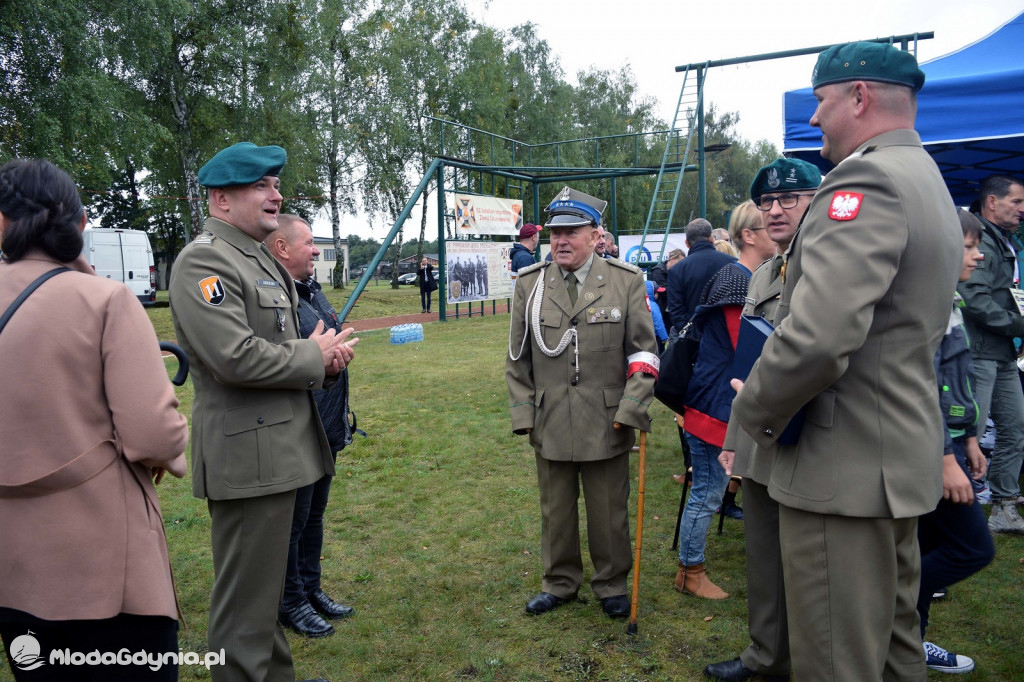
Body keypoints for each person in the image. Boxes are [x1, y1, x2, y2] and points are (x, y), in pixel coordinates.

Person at [730, 42, 962, 681]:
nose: (814, 120)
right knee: (893, 651)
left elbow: (818, 337)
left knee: (836, 660)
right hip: (889, 463)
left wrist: (751, 409)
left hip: (840, 470)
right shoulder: (925, 177)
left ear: (859, 97)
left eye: (821, 101)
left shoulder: (865, 180)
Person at [169, 142, 356, 682]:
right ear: (222, 199)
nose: (276, 194)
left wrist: (325, 364)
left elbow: (275, 347)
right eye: (262, 185)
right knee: (244, 608)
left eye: (275, 184)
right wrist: (310, 355)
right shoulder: (206, 259)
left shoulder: (252, 255)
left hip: (276, 451)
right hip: (249, 459)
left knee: (266, 592)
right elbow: (233, 357)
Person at [0, 158, 189, 680]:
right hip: (104, 564)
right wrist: (170, 448)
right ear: (81, 225)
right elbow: (154, 432)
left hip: (11, 564)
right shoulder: (106, 300)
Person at [506, 186, 657, 620]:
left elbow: (644, 354)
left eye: (572, 231)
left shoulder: (625, 281)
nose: (561, 241)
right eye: (556, 233)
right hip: (550, 417)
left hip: (607, 417)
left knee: (609, 509)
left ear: (596, 235)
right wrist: (524, 414)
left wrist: (631, 409)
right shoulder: (531, 285)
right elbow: (517, 358)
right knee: (555, 509)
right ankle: (559, 582)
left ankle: (611, 584)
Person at [704, 157, 821, 682]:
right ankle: (764, 656)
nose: (774, 210)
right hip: (759, 435)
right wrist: (734, 441)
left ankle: (808, 663)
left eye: (787, 200)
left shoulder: (824, 268)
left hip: (810, 436)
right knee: (764, 558)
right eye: (766, 202)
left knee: (810, 568)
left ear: (814, 202)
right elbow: (746, 366)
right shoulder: (764, 274)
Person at [674, 201, 776, 601]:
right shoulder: (737, 279)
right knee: (708, 491)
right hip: (713, 403)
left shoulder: (745, 276)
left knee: (712, 488)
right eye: (767, 225)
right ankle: (689, 571)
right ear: (748, 235)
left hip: (719, 400)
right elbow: (745, 349)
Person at [266, 215, 356, 639]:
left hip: (327, 420)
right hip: (300, 426)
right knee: (295, 520)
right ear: (282, 248)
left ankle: (311, 589)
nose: (317, 250)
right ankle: (290, 601)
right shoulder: (274, 296)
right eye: (309, 243)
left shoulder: (309, 289)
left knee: (314, 514)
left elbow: (325, 342)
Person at [916, 209, 995, 674]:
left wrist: (969, 439)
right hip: (931, 452)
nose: (978, 253)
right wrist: (947, 457)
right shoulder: (929, 302)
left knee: (925, 548)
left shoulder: (950, 300)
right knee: (974, 549)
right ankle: (896, 615)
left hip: (948, 446)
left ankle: (907, 637)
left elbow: (955, 382)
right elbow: (925, 387)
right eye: (968, 246)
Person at [957, 175, 1024, 534]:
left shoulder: (1004, 241)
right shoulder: (975, 237)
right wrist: (1020, 326)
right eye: (1016, 201)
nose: (1023, 209)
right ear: (992, 202)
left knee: (1015, 427)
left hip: (1002, 353)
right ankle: (954, 510)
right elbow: (974, 300)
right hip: (978, 353)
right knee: (971, 433)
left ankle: (1005, 507)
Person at [666, 218, 736, 336]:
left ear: (687, 243)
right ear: (711, 238)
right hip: (727, 338)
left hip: (694, 343)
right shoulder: (734, 263)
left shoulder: (677, 271)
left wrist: (694, 336)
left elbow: (676, 313)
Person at [649, 248, 684, 332]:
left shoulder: (680, 271)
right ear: (672, 259)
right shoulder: (658, 271)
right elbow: (664, 291)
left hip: (674, 309)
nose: (681, 265)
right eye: (679, 262)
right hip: (662, 309)